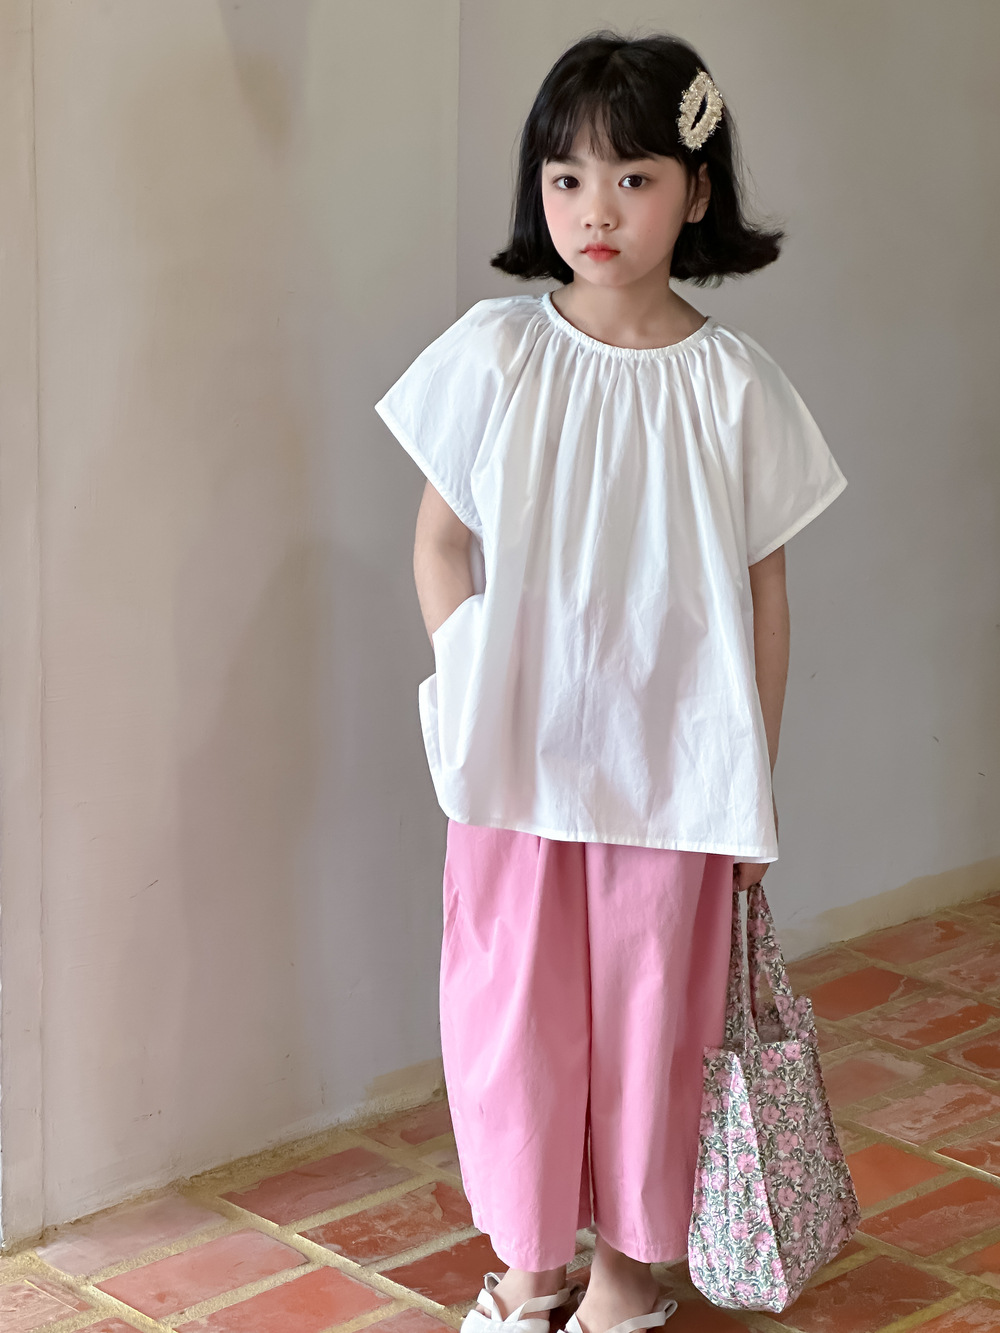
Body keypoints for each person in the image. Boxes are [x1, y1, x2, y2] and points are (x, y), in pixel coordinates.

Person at [374, 29, 847, 1333]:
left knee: (652, 1028)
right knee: (510, 1017)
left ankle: (629, 1278)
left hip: (673, 777)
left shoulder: (734, 388)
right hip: (517, 766)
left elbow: (763, 593)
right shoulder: (496, 355)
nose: (596, 209)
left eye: (633, 178)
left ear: (697, 193)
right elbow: (439, 542)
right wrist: (475, 677)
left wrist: (751, 782)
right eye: (567, 178)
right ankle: (530, 1267)